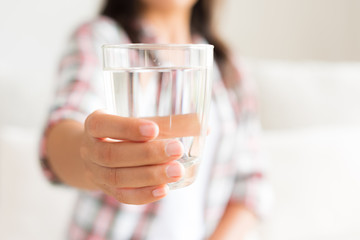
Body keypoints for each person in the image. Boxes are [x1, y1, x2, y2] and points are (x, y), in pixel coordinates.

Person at [40, 0, 271, 239]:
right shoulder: (102, 39)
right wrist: (93, 159)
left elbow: (252, 184)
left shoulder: (228, 67)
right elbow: (66, 123)